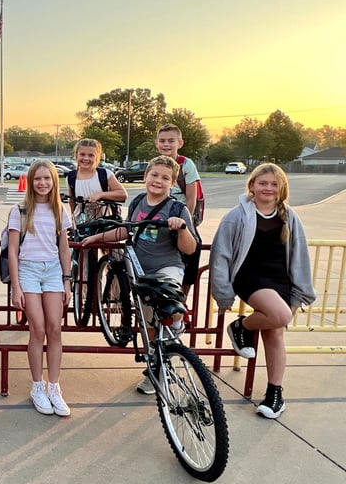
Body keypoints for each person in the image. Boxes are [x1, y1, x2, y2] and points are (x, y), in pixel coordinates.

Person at [81, 155, 197, 395]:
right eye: (154, 175)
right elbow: (126, 230)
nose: (158, 180)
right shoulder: (138, 203)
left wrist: (181, 227)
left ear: (172, 184)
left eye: (165, 178)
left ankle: (177, 324)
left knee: (171, 302)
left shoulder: (177, 208)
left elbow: (190, 248)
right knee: (148, 325)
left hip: (166, 267)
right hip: (139, 272)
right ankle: (156, 369)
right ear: (145, 177)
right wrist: (98, 237)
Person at [210, 163, 315, 419]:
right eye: (263, 183)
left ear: (282, 189)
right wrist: (223, 292)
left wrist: (300, 292)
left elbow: (299, 256)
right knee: (281, 315)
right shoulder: (237, 216)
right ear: (252, 186)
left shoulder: (289, 217)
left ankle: (274, 394)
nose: (268, 188)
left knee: (276, 332)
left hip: (281, 280)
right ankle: (242, 327)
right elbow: (221, 255)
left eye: (274, 184)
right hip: (250, 278)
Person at [7, 160, 73, 416]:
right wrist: (16, 287)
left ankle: (54, 386)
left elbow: (64, 248)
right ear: (30, 181)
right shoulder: (20, 210)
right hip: (28, 270)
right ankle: (37, 386)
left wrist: (67, 280)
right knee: (38, 328)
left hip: (53, 271)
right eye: (37, 179)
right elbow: (12, 251)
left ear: (54, 181)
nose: (42, 183)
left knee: (55, 329)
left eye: (47, 178)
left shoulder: (60, 210)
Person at [155, 124, 201, 299]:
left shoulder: (187, 165)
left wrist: (186, 223)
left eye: (171, 141)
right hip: (160, 216)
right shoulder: (156, 164)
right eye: (162, 141)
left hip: (181, 215)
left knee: (194, 249)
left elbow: (191, 198)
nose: (166, 144)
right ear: (157, 143)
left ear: (179, 143)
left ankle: (183, 295)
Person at [67, 138, 127, 222]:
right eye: (82, 154)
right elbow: (72, 201)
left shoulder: (105, 174)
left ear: (97, 157)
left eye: (91, 155)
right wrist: (72, 218)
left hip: (104, 222)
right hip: (80, 222)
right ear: (76, 155)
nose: (86, 158)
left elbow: (122, 194)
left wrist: (100, 195)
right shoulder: (71, 177)